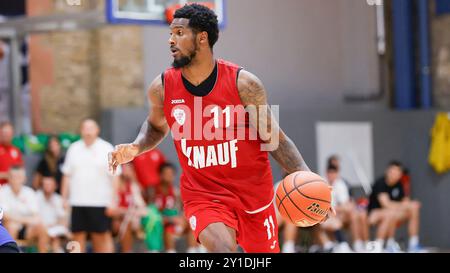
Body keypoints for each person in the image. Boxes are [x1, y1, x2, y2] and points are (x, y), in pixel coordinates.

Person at [109, 4, 323, 253]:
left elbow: (275, 139)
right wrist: (136, 147)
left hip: (254, 197)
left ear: (202, 38)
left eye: (179, 33)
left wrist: (309, 179)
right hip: (204, 196)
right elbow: (155, 127)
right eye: (170, 33)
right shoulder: (163, 87)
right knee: (224, 251)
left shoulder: (244, 84)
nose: (170, 40)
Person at [61, 119, 120, 253]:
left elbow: (116, 176)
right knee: (76, 237)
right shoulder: (73, 148)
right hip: (77, 201)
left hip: (100, 202)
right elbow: (67, 175)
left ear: (97, 130)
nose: (88, 131)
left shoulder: (107, 148)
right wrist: (64, 198)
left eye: (91, 128)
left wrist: (113, 201)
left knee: (101, 237)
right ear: (81, 131)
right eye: (85, 128)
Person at [368, 161, 424, 253]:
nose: (394, 175)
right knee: (390, 213)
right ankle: (380, 245)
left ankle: (413, 244)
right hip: (374, 214)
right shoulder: (380, 183)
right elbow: (386, 204)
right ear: (387, 171)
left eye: (397, 172)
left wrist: (409, 205)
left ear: (400, 174)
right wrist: (405, 205)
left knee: (413, 208)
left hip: (393, 213)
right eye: (392, 171)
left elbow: (405, 202)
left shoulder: (400, 184)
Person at [0, 166, 49, 252]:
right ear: (9, 178)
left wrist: (18, 220)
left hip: (27, 228)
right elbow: (5, 216)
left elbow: (37, 217)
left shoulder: (29, 192)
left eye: (19, 177)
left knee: (42, 228)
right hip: (8, 228)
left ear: (24, 179)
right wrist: (27, 220)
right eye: (13, 177)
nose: (16, 180)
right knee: (12, 226)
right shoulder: (2, 191)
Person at [112, 163, 146, 253]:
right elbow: (110, 208)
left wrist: (134, 179)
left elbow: (142, 207)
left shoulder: (133, 186)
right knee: (123, 223)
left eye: (130, 170)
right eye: (125, 169)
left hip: (131, 219)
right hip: (114, 219)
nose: (127, 172)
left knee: (128, 223)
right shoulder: (112, 186)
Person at [36, 176, 69, 253]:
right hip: (39, 229)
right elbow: (34, 216)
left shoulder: (59, 199)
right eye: (45, 184)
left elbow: (63, 220)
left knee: (56, 237)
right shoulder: (36, 196)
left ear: (55, 186)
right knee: (49, 235)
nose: (47, 187)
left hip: (54, 231)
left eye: (49, 184)